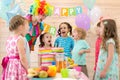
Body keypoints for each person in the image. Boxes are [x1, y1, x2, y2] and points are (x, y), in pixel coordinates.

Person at [1, 15, 29, 80]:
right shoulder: (20, 39)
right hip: (17, 67)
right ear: (21, 27)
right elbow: (22, 58)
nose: (28, 29)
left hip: (10, 66)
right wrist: (27, 69)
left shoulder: (9, 38)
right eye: (27, 27)